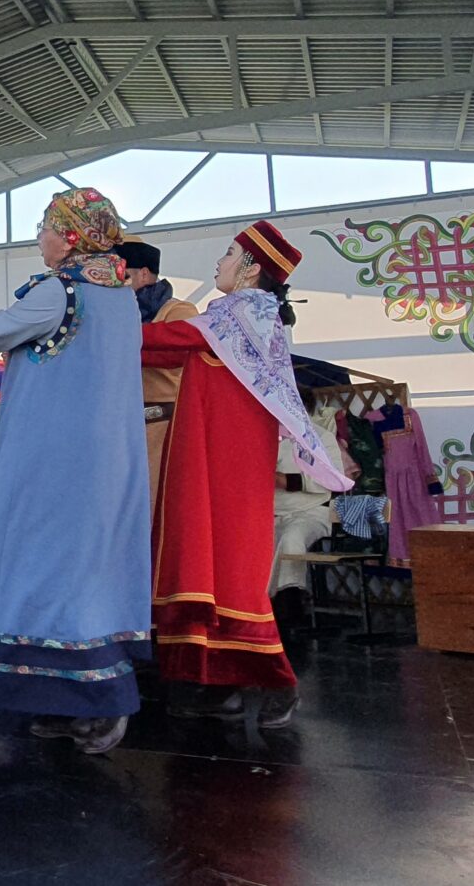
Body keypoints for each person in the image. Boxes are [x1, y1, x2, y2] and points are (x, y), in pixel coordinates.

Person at [0, 187, 150, 757]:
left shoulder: (61, 291)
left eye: (47, 226)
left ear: (71, 236)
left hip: (55, 463)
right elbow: (53, 369)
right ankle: (63, 698)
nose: (40, 237)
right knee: (81, 572)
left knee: (47, 568)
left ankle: (103, 701)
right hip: (102, 462)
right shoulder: (120, 298)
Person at [141, 220, 352, 729]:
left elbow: (171, 338)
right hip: (216, 454)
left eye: (229, 254)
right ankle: (223, 685)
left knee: (231, 571)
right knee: (211, 567)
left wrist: (89, 331)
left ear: (253, 269)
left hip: (230, 461)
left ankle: (278, 682)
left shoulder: (245, 314)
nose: (219, 263)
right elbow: (169, 348)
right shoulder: (231, 319)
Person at [115, 237, 198, 508]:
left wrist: (114, 345)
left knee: (155, 507)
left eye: (122, 275)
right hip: (117, 429)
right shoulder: (112, 313)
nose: (114, 282)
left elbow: (177, 356)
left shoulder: (179, 311)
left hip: (161, 430)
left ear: (143, 273)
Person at [270, 391, 348, 629]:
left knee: (292, 539)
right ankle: (259, 607)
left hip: (313, 511)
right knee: (251, 542)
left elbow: (335, 479)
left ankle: (290, 603)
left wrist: (287, 481)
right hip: (272, 513)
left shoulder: (321, 438)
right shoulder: (266, 437)